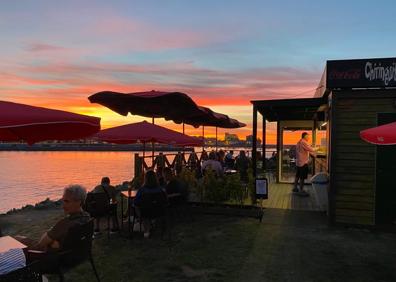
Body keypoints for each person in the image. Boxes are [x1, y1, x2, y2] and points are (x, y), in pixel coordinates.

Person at [16, 185, 90, 252]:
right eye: (63, 201)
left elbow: (41, 243)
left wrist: (51, 235)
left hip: (45, 256)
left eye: (67, 201)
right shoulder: (86, 217)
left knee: (17, 239)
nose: (63, 205)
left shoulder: (65, 224)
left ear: (78, 202)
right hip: (73, 256)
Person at [134, 170, 168, 238]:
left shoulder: (142, 190)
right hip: (159, 212)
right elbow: (165, 201)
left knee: (136, 206)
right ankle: (155, 224)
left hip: (146, 213)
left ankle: (146, 230)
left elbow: (136, 203)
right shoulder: (161, 189)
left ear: (145, 179)